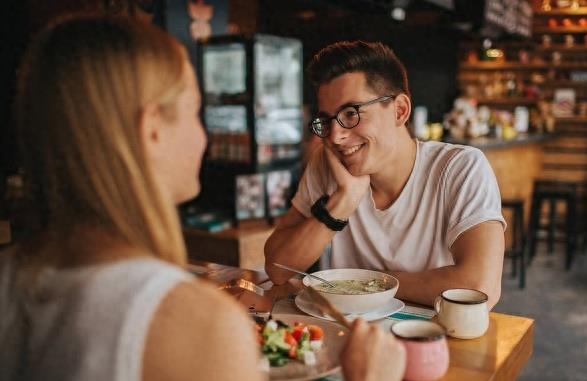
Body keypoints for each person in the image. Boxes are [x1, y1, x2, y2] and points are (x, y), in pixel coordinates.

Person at [0, 16, 405, 381]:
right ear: (152, 131)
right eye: (196, 113)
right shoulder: (199, 325)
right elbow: (276, 265)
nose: (206, 137)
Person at [265, 41, 506, 309]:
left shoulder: (459, 168)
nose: (336, 136)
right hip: (347, 335)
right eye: (327, 120)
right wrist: (341, 204)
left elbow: (480, 286)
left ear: (400, 110)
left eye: (350, 113)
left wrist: (361, 286)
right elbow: (278, 269)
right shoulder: (327, 164)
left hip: (432, 337)